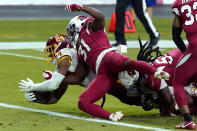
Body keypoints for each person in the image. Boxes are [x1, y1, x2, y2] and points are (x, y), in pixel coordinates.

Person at [65, 4, 169, 121]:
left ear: (77, 26)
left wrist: (82, 8)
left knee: (128, 63)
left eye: (71, 30)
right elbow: (78, 77)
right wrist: (57, 79)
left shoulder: (90, 27)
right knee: (83, 102)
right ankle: (111, 116)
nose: (71, 34)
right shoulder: (79, 50)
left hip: (107, 57)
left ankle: (155, 73)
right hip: (103, 73)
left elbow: (100, 17)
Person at [171, 0, 197, 129]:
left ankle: (188, 120)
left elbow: (176, 35)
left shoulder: (178, 4)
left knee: (178, 83)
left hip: (195, 48)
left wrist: (186, 53)